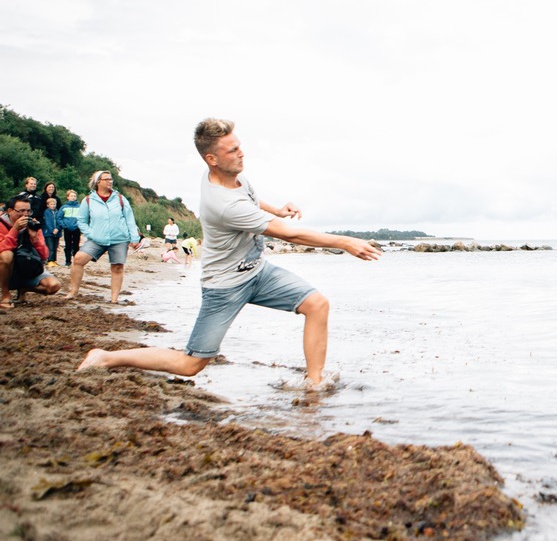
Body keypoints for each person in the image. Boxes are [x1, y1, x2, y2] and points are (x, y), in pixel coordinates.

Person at [77, 118, 380, 388]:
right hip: (225, 286)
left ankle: (314, 385)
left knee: (317, 304)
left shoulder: (233, 176)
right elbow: (290, 234)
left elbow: (251, 199)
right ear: (212, 158)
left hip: (258, 271)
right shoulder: (223, 204)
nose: (241, 154)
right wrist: (345, 242)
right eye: (232, 150)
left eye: (239, 147)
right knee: (190, 364)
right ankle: (106, 357)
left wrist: (277, 209)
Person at [63, 170, 141, 304]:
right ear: (98, 181)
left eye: (111, 179)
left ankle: (114, 299)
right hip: (96, 238)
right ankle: (73, 291)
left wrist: (135, 238)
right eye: (106, 179)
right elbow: (81, 220)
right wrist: (90, 234)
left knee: (117, 267)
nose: (110, 181)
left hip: (119, 238)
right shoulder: (88, 200)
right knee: (78, 259)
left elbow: (130, 219)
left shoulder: (120, 199)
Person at [0, 195, 62, 309]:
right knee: (7, 255)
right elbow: (2, 248)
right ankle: (5, 294)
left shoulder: (32, 225)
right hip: (5, 269)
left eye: (28, 211)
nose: (25, 214)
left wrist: (35, 238)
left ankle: (23, 288)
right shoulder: (1, 224)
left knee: (53, 286)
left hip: (26, 266)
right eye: (21, 211)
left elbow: (44, 256)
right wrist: (15, 230)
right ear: (9, 211)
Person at [60, 189, 83, 263]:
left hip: (76, 228)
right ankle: (67, 261)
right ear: (68, 197)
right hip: (67, 229)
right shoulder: (64, 207)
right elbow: (59, 217)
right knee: (68, 245)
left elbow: (83, 217)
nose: (73, 197)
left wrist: (79, 225)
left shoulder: (80, 207)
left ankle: (76, 261)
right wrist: (64, 225)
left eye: (74, 196)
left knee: (76, 245)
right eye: (71, 196)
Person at [41, 195, 62, 266]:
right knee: (50, 247)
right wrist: (52, 230)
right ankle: (49, 260)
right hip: (48, 233)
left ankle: (54, 260)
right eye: (51, 204)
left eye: (54, 204)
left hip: (57, 232)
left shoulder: (58, 212)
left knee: (55, 246)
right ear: (48, 205)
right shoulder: (46, 212)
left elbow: (60, 221)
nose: (53, 206)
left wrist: (58, 229)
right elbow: (47, 222)